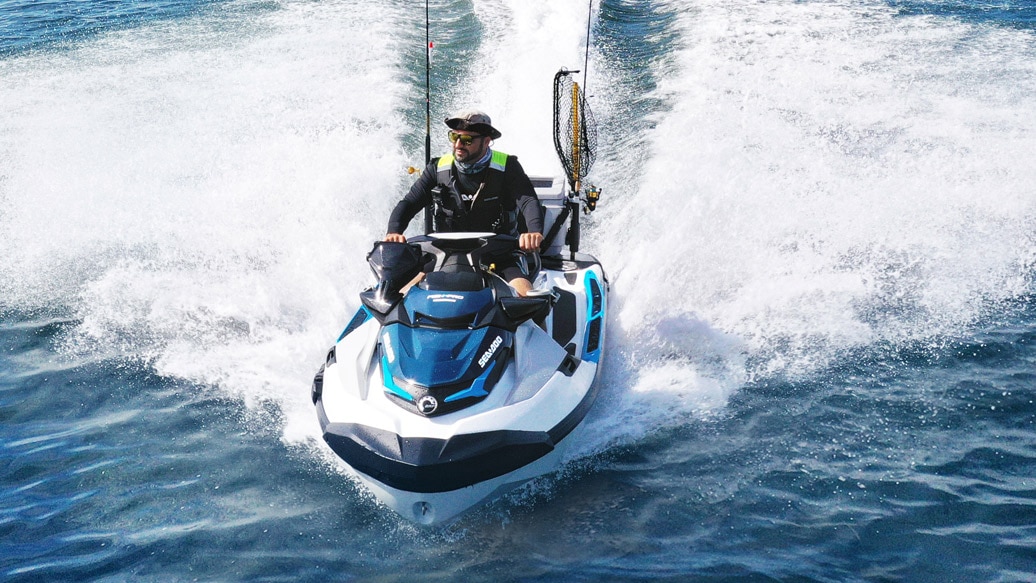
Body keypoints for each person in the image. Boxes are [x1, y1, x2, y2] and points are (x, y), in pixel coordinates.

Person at [385, 110, 544, 296]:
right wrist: (394, 231)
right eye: (454, 137)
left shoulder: (507, 166)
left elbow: (528, 200)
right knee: (399, 297)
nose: (458, 144)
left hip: (499, 254)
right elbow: (409, 203)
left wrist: (533, 232)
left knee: (527, 298)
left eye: (467, 140)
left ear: (486, 141)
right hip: (443, 254)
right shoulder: (437, 168)